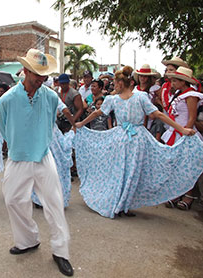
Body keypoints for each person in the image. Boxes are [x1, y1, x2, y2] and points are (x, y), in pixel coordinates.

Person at [74, 66, 203, 219]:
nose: (114, 85)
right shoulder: (117, 99)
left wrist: (182, 130)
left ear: (122, 83)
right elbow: (98, 112)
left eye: (116, 82)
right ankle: (121, 204)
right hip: (129, 139)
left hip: (130, 138)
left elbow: (157, 114)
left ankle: (123, 204)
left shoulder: (136, 97)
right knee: (125, 172)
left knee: (128, 172)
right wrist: (81, 124)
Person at [0, 49, 73, 277]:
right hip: (18, 157)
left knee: (54, 203)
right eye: (37, 74)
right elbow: (2, 126)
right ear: (25, 71)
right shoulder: (7, 99)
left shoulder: (49, 96)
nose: (41, 79)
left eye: (44, 75)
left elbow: (50, 121)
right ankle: (28, 240)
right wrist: (18, 143)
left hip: (43, 156)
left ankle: (61, 252)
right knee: (13, 200)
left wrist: (39, 142)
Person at [162, 67, 203, 210]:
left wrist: (185, 134)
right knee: (176, 165)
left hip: (186, 133)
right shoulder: (180, 94)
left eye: (174, 81)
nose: (172, 83)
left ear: (183, 82)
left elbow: (191, 117)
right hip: (177, 131)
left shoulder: (191, 95)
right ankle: (177, 192)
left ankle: (189, 195)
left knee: (187, 166)